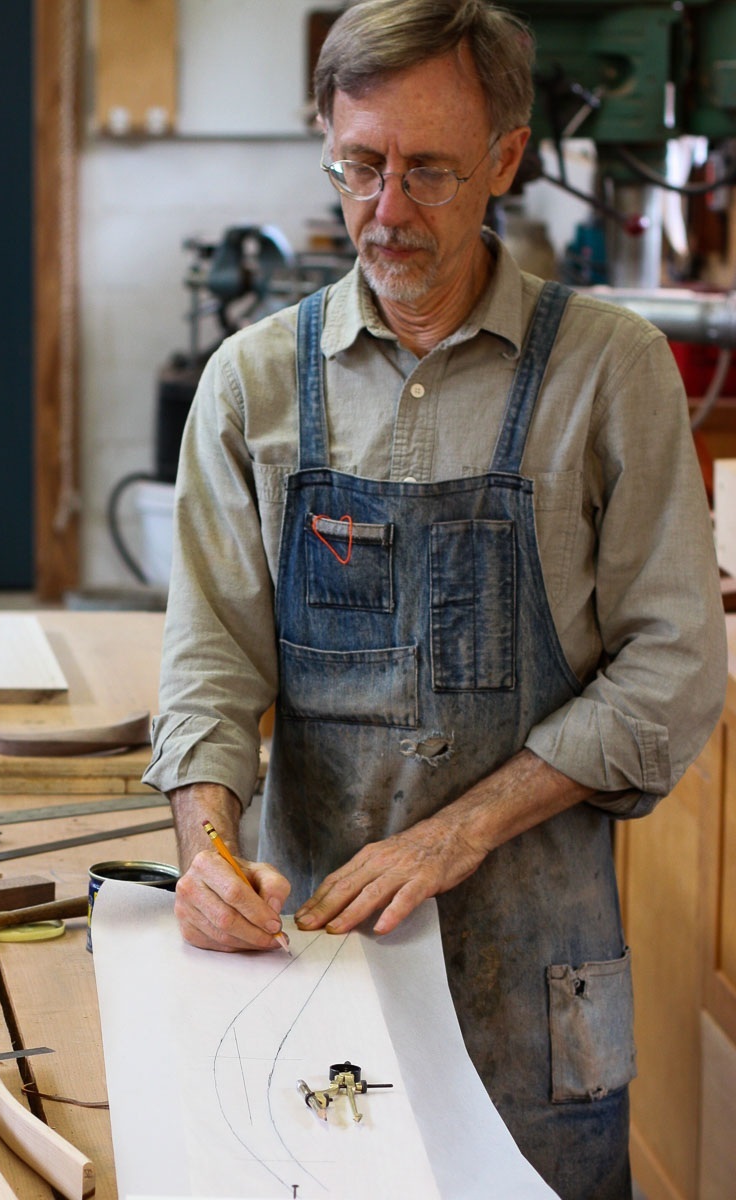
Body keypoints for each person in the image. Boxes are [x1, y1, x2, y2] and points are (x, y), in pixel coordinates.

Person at [141, 1, 728, 1196]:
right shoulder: (252, 386)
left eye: (430, 171)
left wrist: (460, 829)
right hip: (314, 969)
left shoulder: (610, 373)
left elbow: (675, 668)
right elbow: (210, 675)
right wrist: (205, 852)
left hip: (540, 998)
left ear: (508, 157)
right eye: (360, 166)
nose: (387, 212)